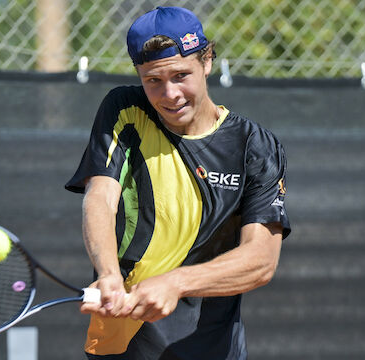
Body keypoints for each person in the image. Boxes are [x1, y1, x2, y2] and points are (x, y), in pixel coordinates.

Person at [65, 6, 290, 360]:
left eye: (180, 75)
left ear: (207, 61)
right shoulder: (124, 109)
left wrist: (176, 282)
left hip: (213, 348)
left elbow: (261, 260)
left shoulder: (255, 145)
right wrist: (108, 273)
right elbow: (100, 197)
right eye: (153, 80)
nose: (169, 94)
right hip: (123, 343)